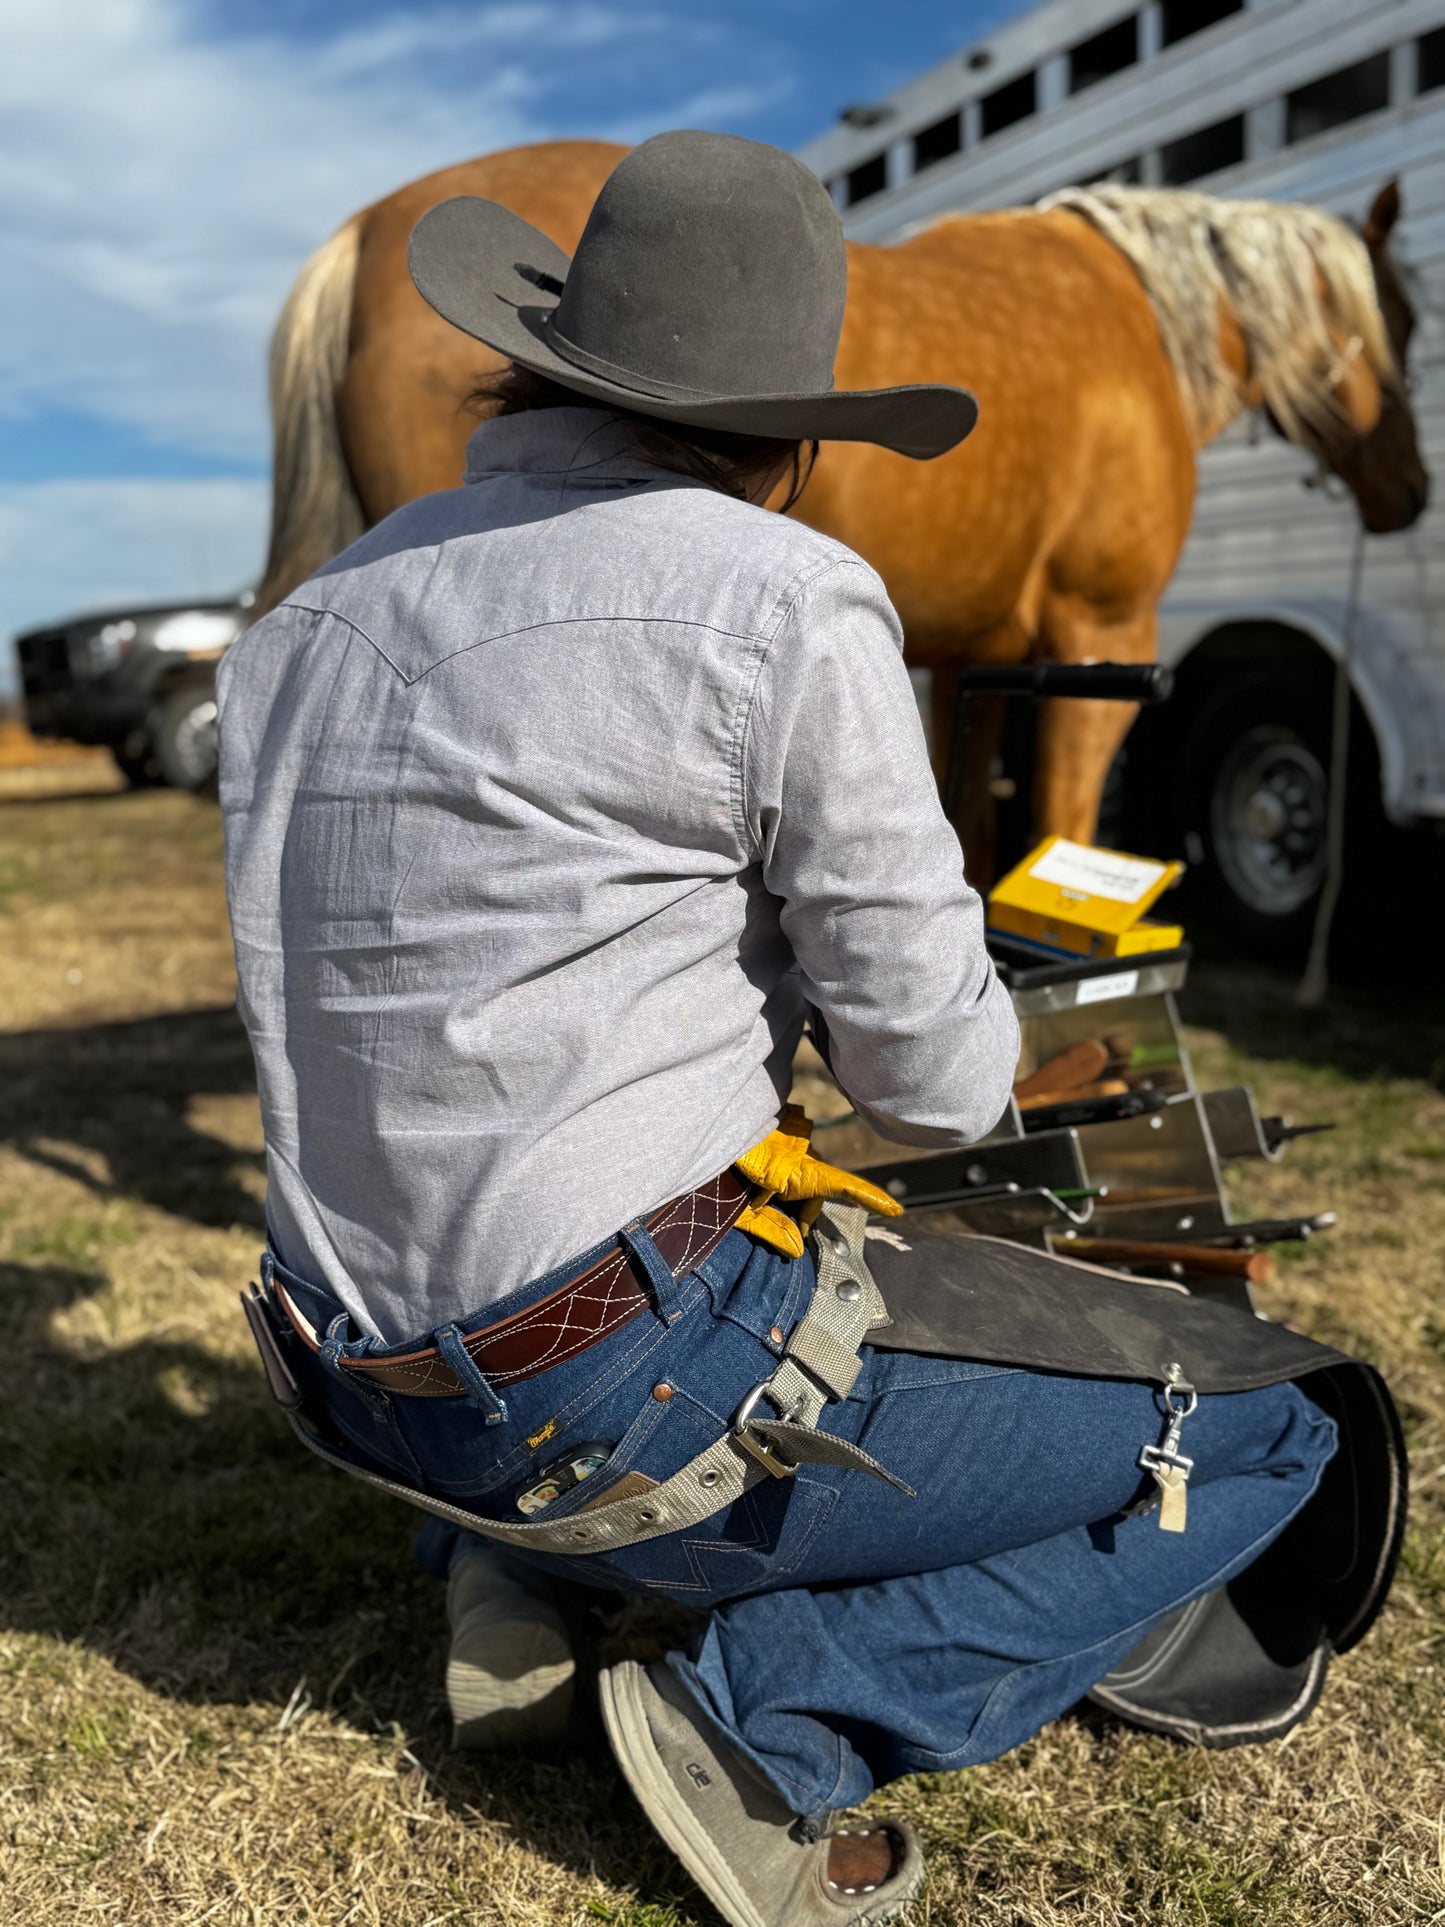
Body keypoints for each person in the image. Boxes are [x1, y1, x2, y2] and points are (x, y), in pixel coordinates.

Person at [219, 132, 1343, 1927]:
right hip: (607, 1383)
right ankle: (767, 1726)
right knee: (1285, 1429)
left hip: (345, 1378)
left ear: (538, 363)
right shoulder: (782, 596)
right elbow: (938, 1078)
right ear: (797, 438)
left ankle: (503, 1577)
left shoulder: (299, 631)